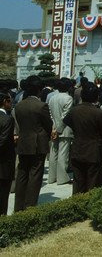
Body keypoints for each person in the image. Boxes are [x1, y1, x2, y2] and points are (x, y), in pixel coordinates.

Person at [13, 75, 53, 211]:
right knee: (35, 175)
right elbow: (49, 124)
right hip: (38, 144)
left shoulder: (18, 106)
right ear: (39, 90)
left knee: (22, 174)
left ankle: (18, 206)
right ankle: (30, 206)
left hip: (23, 142)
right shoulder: (41, 106)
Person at [63, 83, 102, 194]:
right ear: (96, 97)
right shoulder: (99, 113)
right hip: (93, 150)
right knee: (93, 183)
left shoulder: (74, 110)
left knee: (78, 182)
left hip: (77, 148)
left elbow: (67, 122)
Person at [47, 78, 74, 185]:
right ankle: (62, 178)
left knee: (53, 153)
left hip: (53, 128)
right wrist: (58, 129)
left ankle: (52, 177)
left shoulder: (52, 98)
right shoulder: (68, 98)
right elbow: (65, 116)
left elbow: (50, 114)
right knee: (63, 154)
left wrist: (54, 128)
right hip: (65, 129)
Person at [0, 93, 15, 215]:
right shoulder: (7, 119)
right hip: (4, 163)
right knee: (3, 196)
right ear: (5, 101)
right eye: (10, 101)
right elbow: (3, 141)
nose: (11, 103)